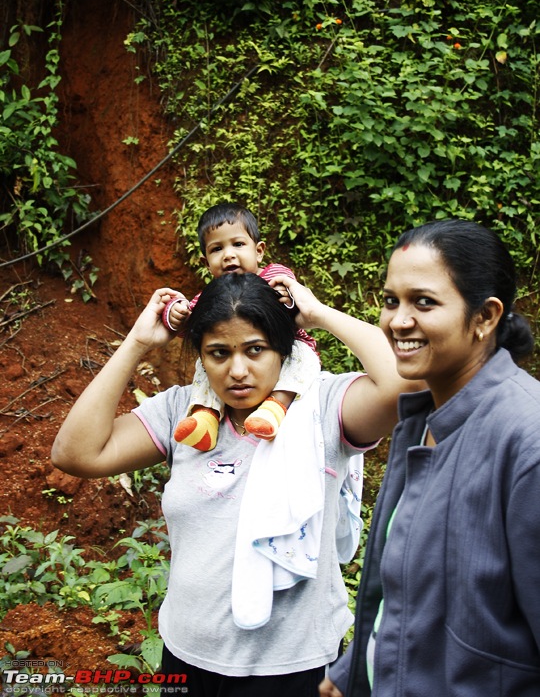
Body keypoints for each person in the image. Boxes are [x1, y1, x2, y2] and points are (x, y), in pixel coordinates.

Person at [51, 271, 422, 697]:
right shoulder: (183, 413)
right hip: (188, 657)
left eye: (256, 350)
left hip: (296, 668)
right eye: (219, 353)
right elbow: (75, 453)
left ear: (283, 349)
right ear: (201, 358)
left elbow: (406, 383)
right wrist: (136, 343)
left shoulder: (322, 406)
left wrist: (318, 314)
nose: (237, 370)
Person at [343, 219, 539, 697]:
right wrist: (354, 668)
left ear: (486, 316)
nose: (397, 321)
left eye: (423, 302)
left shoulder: (526, 443)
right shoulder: (423, 416)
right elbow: (408, 591)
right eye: (391, 300)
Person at [162, 202, 321, 450]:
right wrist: (175, 313)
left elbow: (294, 304)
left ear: (258, 251)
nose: (228, 255)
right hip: (239, 357)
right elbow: (191, 326)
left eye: (238, 244)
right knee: (205, 365)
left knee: (302, 358)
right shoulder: (210, 297)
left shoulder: (273, 276)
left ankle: (275, 406)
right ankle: (205, 416)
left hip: (288, 346)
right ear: (206, 263)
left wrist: (288, 298)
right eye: (217, 249)